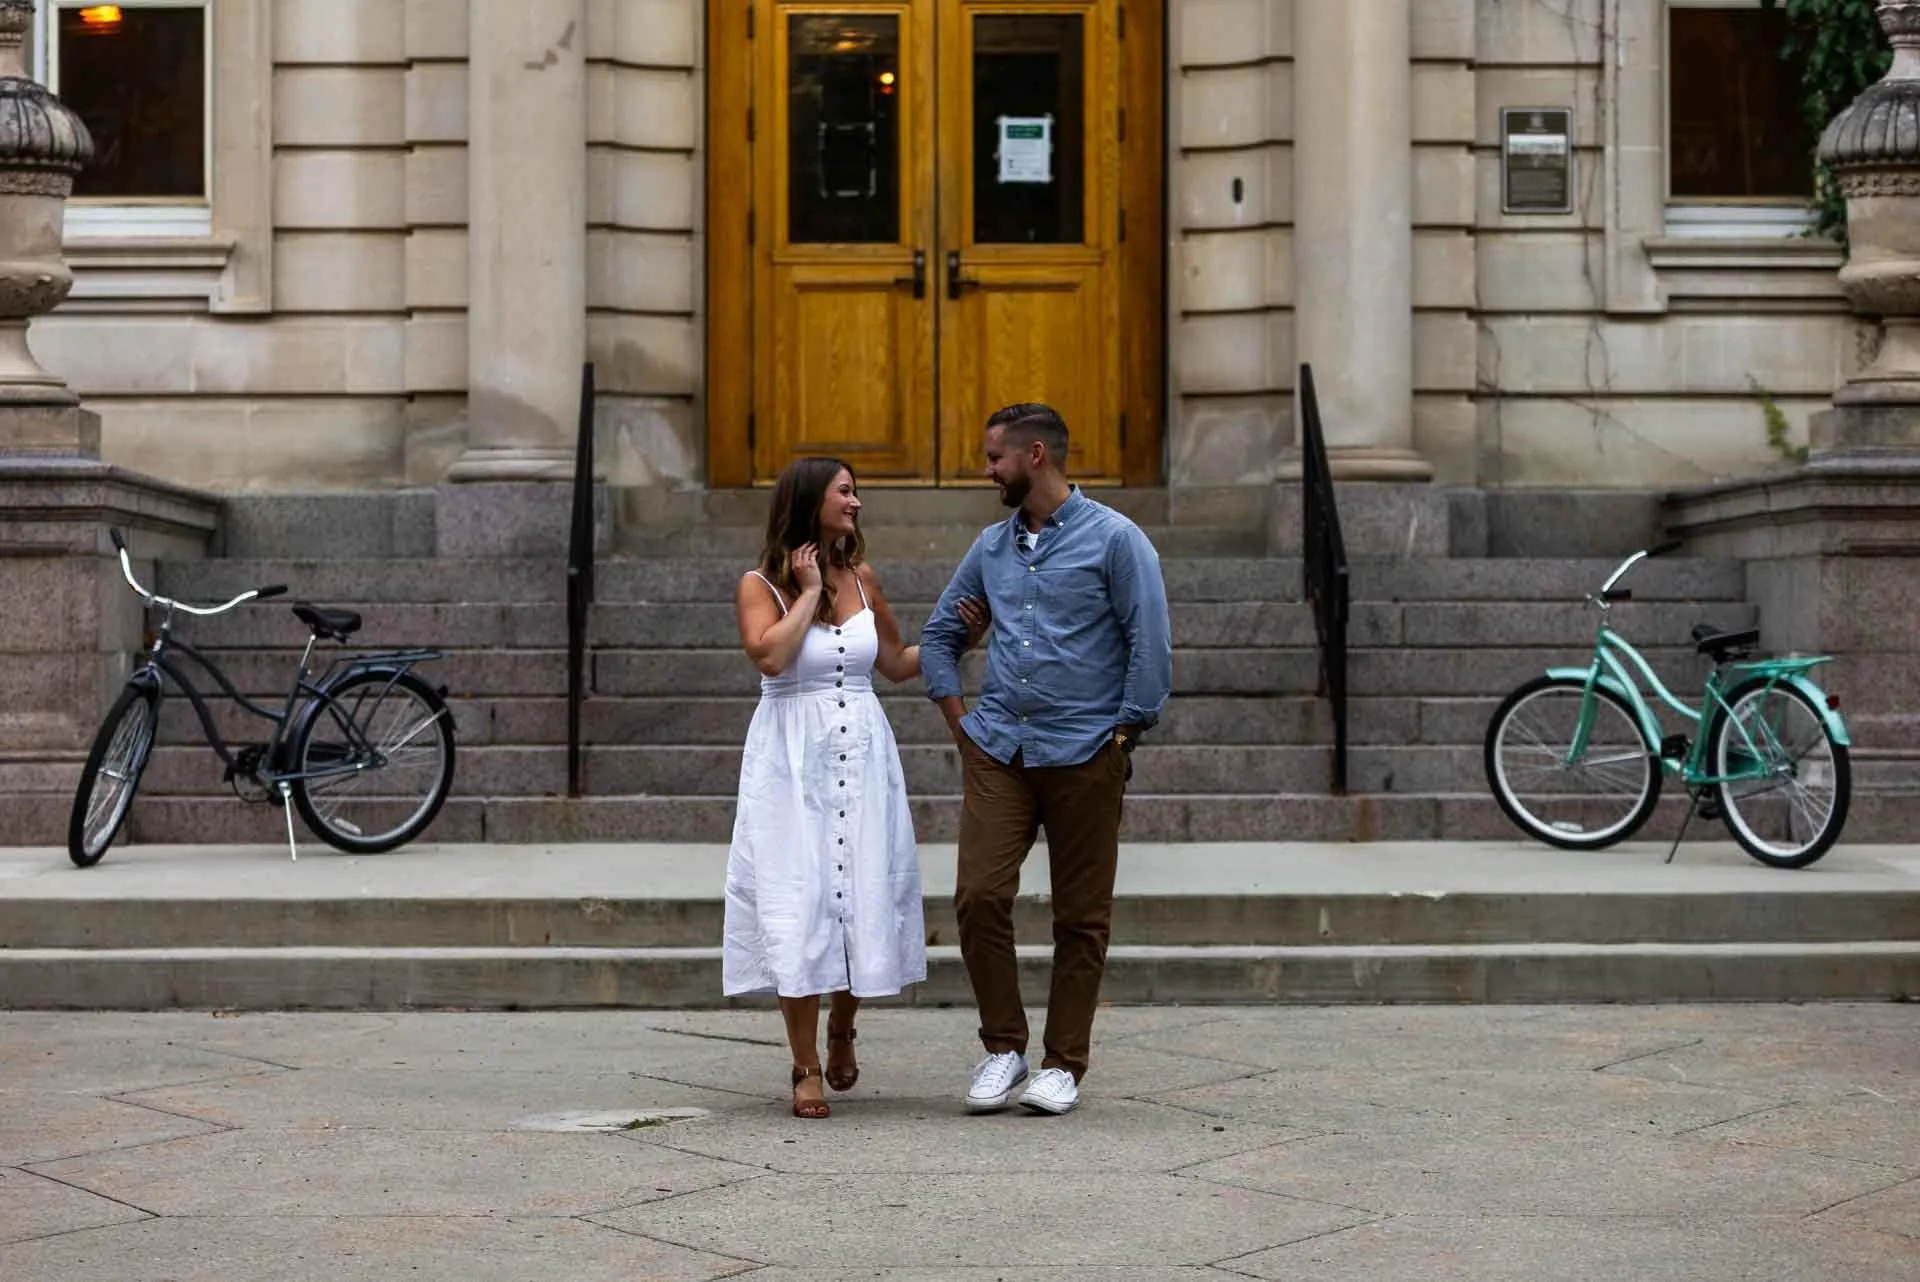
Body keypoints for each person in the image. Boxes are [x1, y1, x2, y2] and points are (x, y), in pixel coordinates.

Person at [920, 403, 1173, 1117]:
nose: (985, 470)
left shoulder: (1118, 542)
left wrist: (1125, 732)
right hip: (1000, 746)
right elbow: (939, 636)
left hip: (1087, 747)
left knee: (1081, 916)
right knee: (977, 897)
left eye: (993, 457)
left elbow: (1149, 642)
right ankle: (1004, 1048)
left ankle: (1063, 1063)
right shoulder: (991, 548)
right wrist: (961, 724)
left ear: (1035, 456)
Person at [723, 456, 987, 1120]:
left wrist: (965, 635)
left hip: (863, 754)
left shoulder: (864, 579)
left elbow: (896, 662)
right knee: (799, 900)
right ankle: (804, 1062)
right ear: (811, 501)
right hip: (792, 762)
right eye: (846, 492)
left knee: (858, 890)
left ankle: (843, 1024)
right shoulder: (760, 585)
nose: (857, 503)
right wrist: (809, 590)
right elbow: (773, 656)